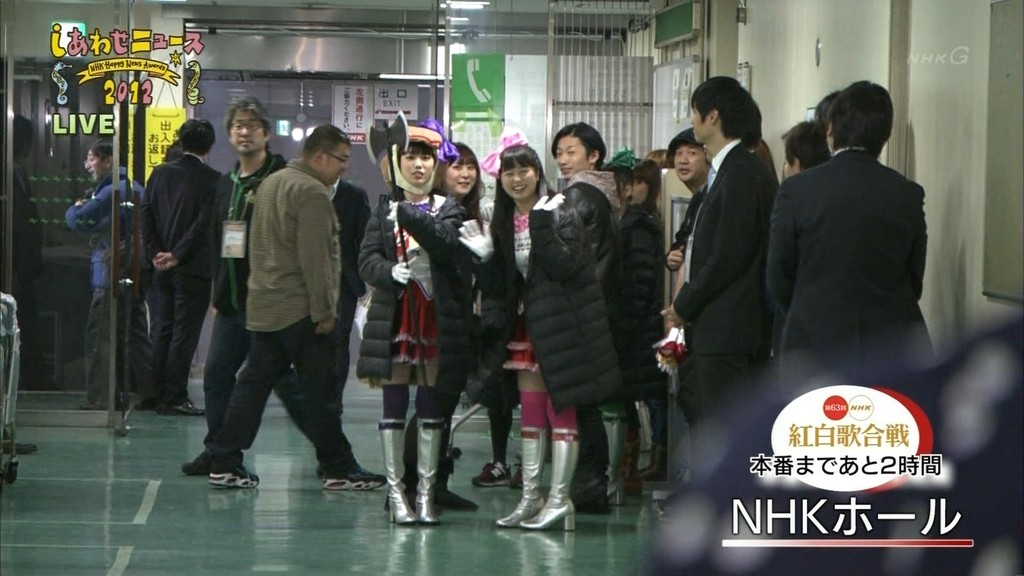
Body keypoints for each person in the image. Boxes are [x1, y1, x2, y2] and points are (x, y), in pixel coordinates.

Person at [205, 124, 385, 492]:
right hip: (300, 311)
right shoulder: (311, 193)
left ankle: (224, 459)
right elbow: (316, 259)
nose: (345, 167)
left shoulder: (271, 183)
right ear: (320, 156)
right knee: (320, 392)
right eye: (341, 159)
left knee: (254, 385)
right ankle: (338, 467)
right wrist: (325, 311)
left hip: (266, 305)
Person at [461, 136, 619, 531]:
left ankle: (560, 500)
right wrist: (485, 259)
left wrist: (542, 225)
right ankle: (531, 497)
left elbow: (568, 265)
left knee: (560, 408)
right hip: (527, 326)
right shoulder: (501, 220)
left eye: (524, 170)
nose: (517, 179)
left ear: (537, 174)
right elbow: (502, 287)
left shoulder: (559, 208)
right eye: (508, 172)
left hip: (562, 327)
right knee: (531, 411)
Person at [180, 97, 344, 478]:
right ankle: (218, 450)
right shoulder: (226, 183)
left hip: (271, 302)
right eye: (238, 125)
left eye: (252, 125)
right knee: (219, 375)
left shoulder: (280, 179)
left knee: (284, 384)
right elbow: (216, 239)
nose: (244, 132)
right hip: (232, 300)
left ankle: (329, 455)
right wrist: (218, 291)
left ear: (267, 134)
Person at [767, 81, 929, 383]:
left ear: (830, 128)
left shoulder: (797, 191)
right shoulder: (907, 193)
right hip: (890, 349)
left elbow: (778, 274)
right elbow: (914, 278)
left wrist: (807, 308)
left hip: (814, 347)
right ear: (885, 135)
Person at [357, 120, 472, 525]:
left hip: (436, 317)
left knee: (431, 406)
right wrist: (388, 271)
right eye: (411, 157)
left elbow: (447, 246)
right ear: (397, 163)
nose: (419, 165)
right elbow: (366, 260)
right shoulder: (380, 211)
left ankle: (425, 493)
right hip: (395, 317)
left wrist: (406, 213)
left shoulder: (450, 209)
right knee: (393, 404)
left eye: (426, 157)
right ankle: (397, 495)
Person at [664, 77, 777, 440]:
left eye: (695, 112)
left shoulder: (741, 172)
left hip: (730, 328)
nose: (692, 120)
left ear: (712, 116)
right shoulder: (730, 170)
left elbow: (727, 255)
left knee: (725, 434)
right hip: (722, 325)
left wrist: (684, 304)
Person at [395, 140, 485, 511]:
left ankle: (436, 481)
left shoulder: (475, 211)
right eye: (456, 166)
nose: (465, 173)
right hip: (433, 319)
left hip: (464, 317)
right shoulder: (434, 211)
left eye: (470, 166)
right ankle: (411, 484)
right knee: (433, 403)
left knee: (443, 404)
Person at [550, 122, 622, 514]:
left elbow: (568, 257)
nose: (563, 159)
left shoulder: (578, 195)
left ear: (594, 156)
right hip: (599, 309)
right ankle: (593, 481)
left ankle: (588, 483)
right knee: (587, 402)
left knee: (578, 402)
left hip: (579, 309)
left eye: (571, 151)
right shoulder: (606, 193)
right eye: (559, 152)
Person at [65, 139, 154, 411]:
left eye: (91, 158)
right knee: (135, 334)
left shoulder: (110, 192)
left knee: (100, 334)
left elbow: (80, 220)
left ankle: (101, 398)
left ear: (107, 160)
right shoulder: (134, 187)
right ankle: (150, 391)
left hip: (109, 273)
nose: (87, 165)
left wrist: (75, 207)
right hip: (133, 271)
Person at [141, 119, 219, 416]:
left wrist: (156, 254)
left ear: (181, 142)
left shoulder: (159, 173)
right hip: (193, 269)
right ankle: (174, 396)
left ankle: (154, 394)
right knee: (184, 335)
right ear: (209, 146)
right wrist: (178, 255)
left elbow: (146, 215)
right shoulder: (213, 179)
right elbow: (202, 225)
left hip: (159, 269)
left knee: (161, 329)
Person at [327, 150, 371, 415]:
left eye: (344, 158)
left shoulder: (354, 195)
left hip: (343, 281)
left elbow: (365, 241)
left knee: (338, 340)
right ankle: (312, 395)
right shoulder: (302, 191)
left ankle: (333, 399)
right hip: (305, 281)